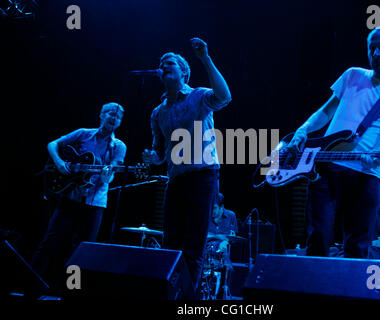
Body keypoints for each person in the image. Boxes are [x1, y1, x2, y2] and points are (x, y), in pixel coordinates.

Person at [287, 25, 380, 258]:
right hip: (327, 168)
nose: (376, 54)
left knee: (358, 242)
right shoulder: (353, 75)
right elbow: (325, 112)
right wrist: (302, 131)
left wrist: (379, 150)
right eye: (372, 48)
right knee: (318, 236)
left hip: (366, 173)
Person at [142, 38, 232, 296]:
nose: (163, 66)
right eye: (161, 64)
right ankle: (170, 295)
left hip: (203, 175)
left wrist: (205, 57)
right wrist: (152, 157)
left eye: (169, 63)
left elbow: (225, 96)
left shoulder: (199, 96)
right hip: (176, 179)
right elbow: (160, 153)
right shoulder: (158, 112)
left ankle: (188, 301)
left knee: (194, 243)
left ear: (183, 72)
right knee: (170, 241)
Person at [32, 102, 126, 296]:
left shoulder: (118, 146)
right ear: (101, 114)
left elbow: (113, 172)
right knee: (51, 240)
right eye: (110, 113)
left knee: (83, 250)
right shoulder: (84, 133)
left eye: (118, 116)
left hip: (95, 203)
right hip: (70, 196)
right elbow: (53, 144)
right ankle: (31, 282)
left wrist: (107, 175)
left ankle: (70, 290)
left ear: (120, 122)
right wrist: (59, 163)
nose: (113, 118)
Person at [205, 192, 238, 299]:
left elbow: (233, 237)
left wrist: (225, 242)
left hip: (223, 256)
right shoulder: (205, 216)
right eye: (210, 208)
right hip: (206, 254)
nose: (211, 211)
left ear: (221, 207)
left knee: (227, 265)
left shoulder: (231, 216)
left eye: (214, 208)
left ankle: (223, 292)